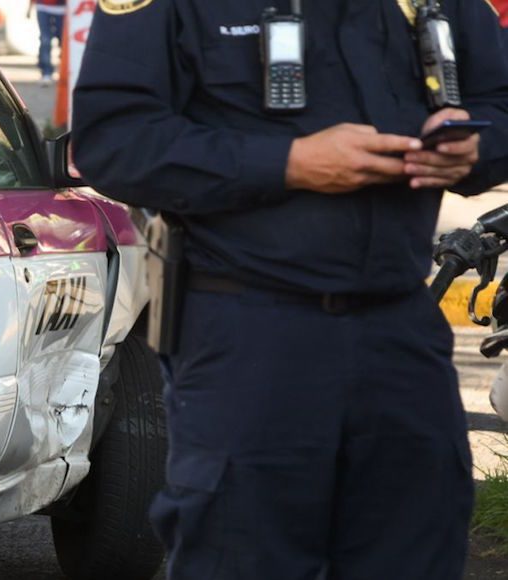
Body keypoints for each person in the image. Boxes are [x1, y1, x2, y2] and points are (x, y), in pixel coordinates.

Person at [72, 0, 508, 577]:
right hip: (247, 334)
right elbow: (115, 141)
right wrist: (288, 163)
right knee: (245, 555)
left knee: (417, 549)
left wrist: (477, 147)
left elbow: (499, 104)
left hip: (401, 328)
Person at [30, 0, 65, 85]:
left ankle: (64, 71)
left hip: (62, 8)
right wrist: (30, 7)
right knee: (45, 40)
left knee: (63, 42)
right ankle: (46, 72)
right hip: (43, 6)